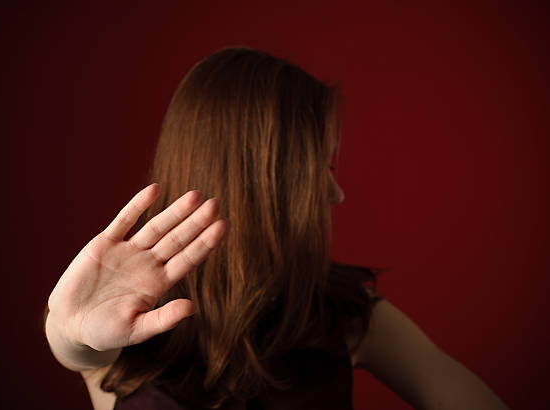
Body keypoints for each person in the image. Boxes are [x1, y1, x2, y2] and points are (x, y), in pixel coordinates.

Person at [45, 46, 510, 410]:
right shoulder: (129, 315)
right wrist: (69, 333)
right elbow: (82, 353)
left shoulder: (338, 309)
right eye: (319, 168)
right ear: (260, 179)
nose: (335, 194)